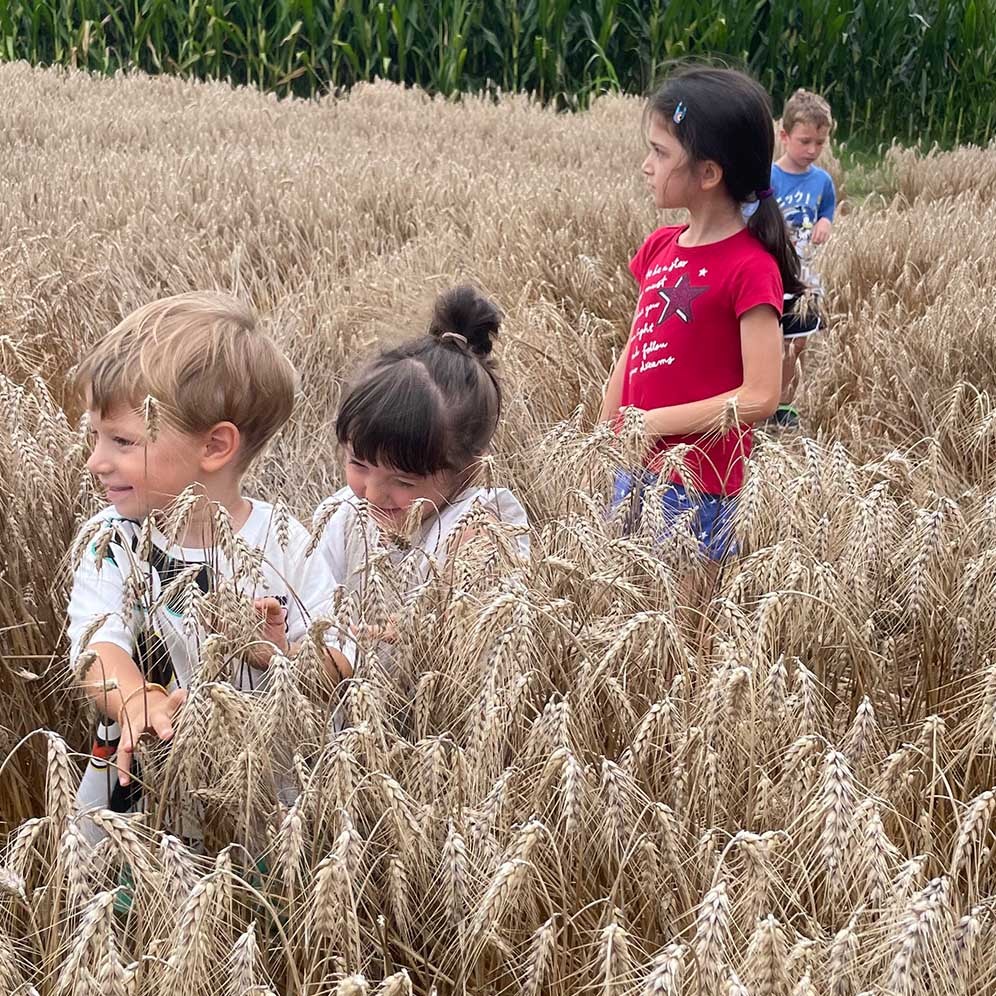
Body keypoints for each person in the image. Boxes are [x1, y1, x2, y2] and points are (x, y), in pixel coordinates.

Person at [68, 291, 351, 835]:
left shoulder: (287, 543)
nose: (96, 461)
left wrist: (280, 655)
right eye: (95, 436)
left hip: (257, 797)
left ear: (216, 446)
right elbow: (95, 646)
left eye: (122, 440)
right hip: (142, 783)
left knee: (253, 908)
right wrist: (134, 700)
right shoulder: (111, 541)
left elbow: (341, 660)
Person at [600, 65, 803, 560]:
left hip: (699, 487)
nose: (647, 166)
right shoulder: (660, 247)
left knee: (687, 627)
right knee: (628, 599)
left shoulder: (750, 269)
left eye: (660, 152)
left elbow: (761, 394)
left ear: (709, 173)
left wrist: (653, 422)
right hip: (634, 466)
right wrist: (606, 429)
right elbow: (638, 342)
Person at [312, 285, 529, 615]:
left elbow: (478, 628)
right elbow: (315, 611)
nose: (372, 494)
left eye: (402, 481)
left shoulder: (477, 527)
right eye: (358, 463)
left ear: (468, 469)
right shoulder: (342, 517)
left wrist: (418, 631)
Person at [767, 88, 837, 428]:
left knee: (796, 344)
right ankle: (756, 401)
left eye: (820, 143)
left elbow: (827, 207)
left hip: (805, 278)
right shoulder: (769, 178)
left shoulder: (822, 180)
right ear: (784, 135)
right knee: (765, 342)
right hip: (771, 276)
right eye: (805, 141)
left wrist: (825, 222)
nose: (812, 150)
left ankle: (784, 405)